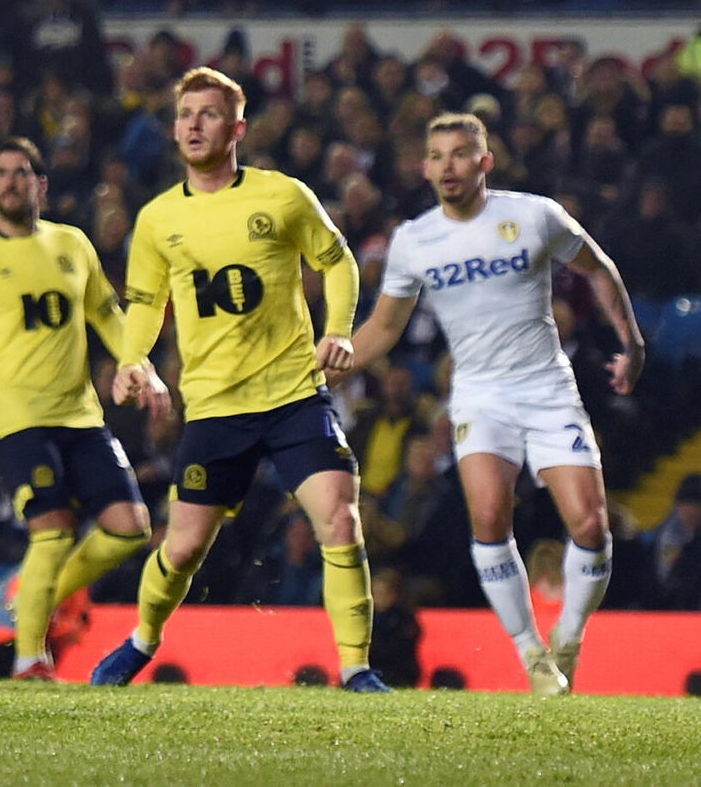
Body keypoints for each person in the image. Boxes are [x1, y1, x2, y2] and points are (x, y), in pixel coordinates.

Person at [91, 66, 392, 693]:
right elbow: (146, 302)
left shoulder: (282, 196)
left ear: (238, 128)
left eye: (207, 114)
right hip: (214, 408)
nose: (193, 125)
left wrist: (338, 329)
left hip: (291, 396)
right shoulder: (156, 219)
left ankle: (358, 668)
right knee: (180, 548)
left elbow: (339, 265)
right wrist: (134, 359)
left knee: (339, 518)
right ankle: (142, 640)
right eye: (185, 115)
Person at [337, 112, 644, 694]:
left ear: (485, 161)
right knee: (486, 517)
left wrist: (631, 343)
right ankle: (531, 653)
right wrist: (334, 366)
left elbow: (598, 269)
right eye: (438, 155)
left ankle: (570, 638)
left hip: (547, 388)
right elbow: (384, 327)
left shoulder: (533, 215)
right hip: (480, 394)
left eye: (460, 153)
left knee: (590, 524)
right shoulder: (415, 239)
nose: (448, 165)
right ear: (425, 167)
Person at [0, 139, 155, 679]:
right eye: (1, 173)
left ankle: (33, 594)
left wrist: (138, 363)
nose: (11, 182)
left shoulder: (73, 244)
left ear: (41, 186)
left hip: (81, 416)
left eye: (22, 173)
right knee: (51, 532)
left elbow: (107, 313)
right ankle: (30, 656)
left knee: (130, 528)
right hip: (16, 421)